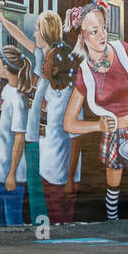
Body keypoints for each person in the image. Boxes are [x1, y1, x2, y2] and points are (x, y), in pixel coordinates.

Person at [62, 0, 128, 220]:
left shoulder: (123, 50)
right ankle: (113, 226)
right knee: (113, 187)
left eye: (103, 27)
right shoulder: (84, 73)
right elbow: (68, 124)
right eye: (94, 31)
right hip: (112, 134)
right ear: (83, 36)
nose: (102, 35)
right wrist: (98, 125)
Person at [0, 7, 65, 225]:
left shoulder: (57, 63)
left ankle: (45, 235)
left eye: (38, 29)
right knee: (35, 193)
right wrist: (3, 20)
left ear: (48, 32)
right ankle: (40, 232)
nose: (34, 34)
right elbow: (20, 37)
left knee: (42, 194)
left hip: (43, 140)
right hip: (33, 138)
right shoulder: (41, 56)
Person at [39, 42, 84, 224]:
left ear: (56, 69)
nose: (43, 64)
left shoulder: (71, 99)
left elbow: (76, 141)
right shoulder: (48, 91)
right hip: (46, 173)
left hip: (62, 178)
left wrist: (70, 180)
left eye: (47, 61)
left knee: (63, 224)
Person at [0, 45, 30, 226]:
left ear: (6, 66)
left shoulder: (18, 98)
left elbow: (19, 138)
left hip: (11, 176)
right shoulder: (6, 91)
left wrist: (11, 173)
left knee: (13, 223)